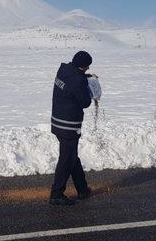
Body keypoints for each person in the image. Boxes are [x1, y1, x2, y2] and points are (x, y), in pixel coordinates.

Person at [49, 50, 95, 206]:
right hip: (68, 125)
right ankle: (56, 194)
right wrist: (89, 86)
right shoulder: (78, 80)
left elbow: (73, 81)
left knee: (71, 155)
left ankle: (82, 189)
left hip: (57, 121)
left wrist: (84, 78)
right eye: (87, 68)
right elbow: (85, 102)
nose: (87, 69)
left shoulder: (64, 70)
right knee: (67, 159)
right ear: (83, 66)